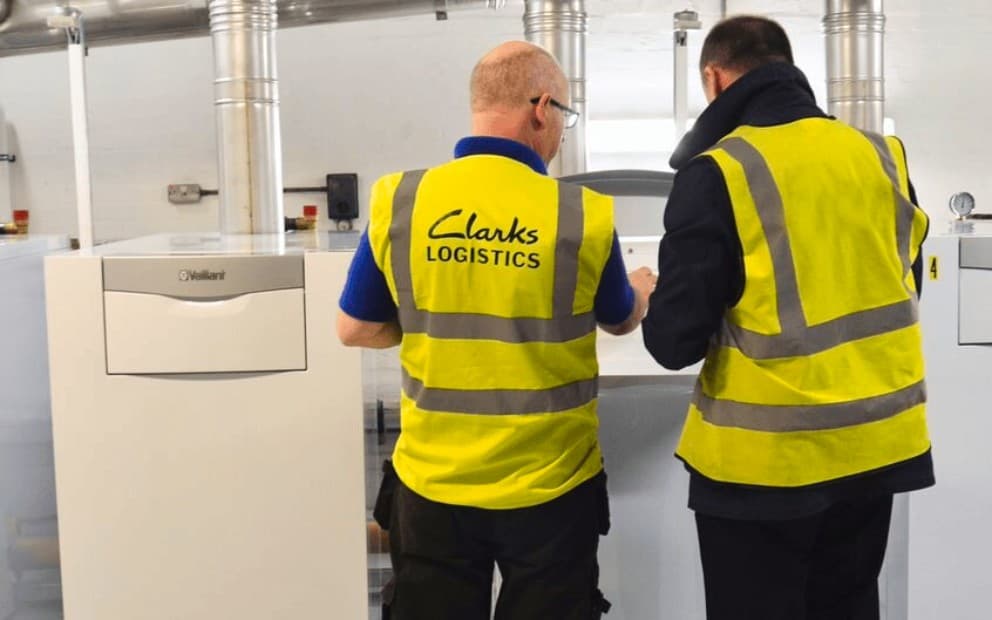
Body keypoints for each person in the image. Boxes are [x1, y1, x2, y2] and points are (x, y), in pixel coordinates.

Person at [337, 40, 655, 620]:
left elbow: (354, 328)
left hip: (434, 485)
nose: (561, 132)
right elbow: (619, 318)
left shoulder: (401, 199)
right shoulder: (581, 213)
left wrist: (421, 324)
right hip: (551, 487)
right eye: (565, 116)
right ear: (541, 108)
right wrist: (641, 288)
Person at [641, 15, 934, 620]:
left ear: (714, 79)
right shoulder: (881, 156)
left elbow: (674, 342)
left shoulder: (719, 171)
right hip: (873, 447)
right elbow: (900, 283)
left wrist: (648, 297)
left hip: (765, 464)